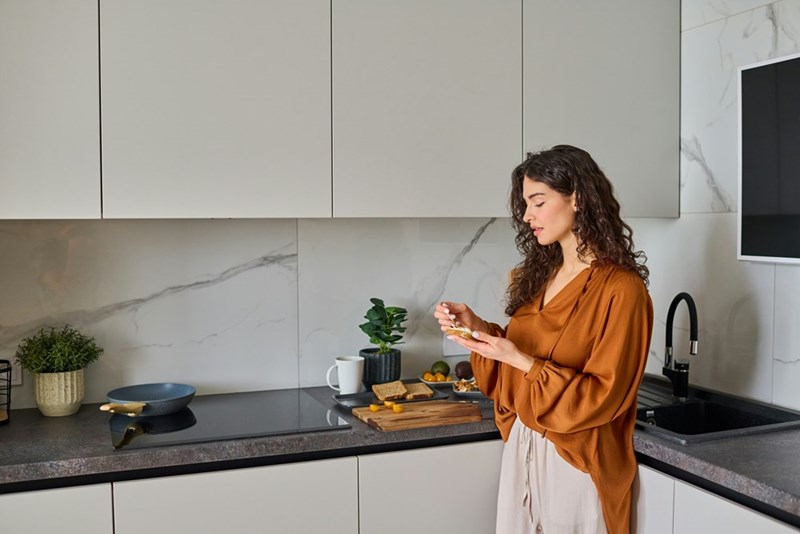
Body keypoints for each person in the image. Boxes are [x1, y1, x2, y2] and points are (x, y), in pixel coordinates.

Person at [435, 145, 653, 534]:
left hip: (576, 463)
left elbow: (604, 395)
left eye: (538, 201)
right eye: (525, 203)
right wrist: (477, 329)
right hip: (524, 446)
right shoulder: (535, 276)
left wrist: (520, 361)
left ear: (578, 199)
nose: (526, 215)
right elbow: (520, 354)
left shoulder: (622, 289)